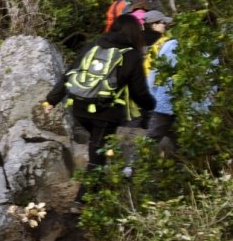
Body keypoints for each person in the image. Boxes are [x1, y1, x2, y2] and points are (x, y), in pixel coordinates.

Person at [45, 13, 156, 181]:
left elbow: (70, 72)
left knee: (100, 146)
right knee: (97, 155)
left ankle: (100, 183)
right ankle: (81, 202)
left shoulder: (95, 45)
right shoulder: (131, 55)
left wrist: (51, 100)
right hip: (105, 112)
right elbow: (138, 93)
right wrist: (153, 106)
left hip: (79, 107)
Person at [141, 11, 177, 152]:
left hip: (142, 87)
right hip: (159, 91)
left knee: (153, 130)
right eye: (163, 23)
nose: (165, 26)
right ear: (153, 25)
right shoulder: (165, 42)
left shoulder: (136, 40)